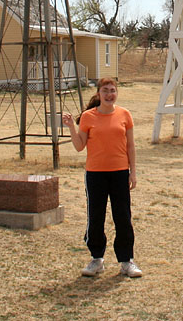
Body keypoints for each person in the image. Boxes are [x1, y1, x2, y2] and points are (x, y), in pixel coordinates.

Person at [62, 77, 142, 278]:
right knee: (95, 217)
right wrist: (72, 126)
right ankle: (96, 259)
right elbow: (80, 146)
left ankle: (126, 261)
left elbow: (131, 146)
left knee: (122, 217)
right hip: (95, 174)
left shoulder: (125, 115)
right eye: (105, 90)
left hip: (120, 172)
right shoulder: (88, 117)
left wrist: (133, 171)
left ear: (117, 93)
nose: (109, 94)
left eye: (112, 90)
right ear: (99, 93)